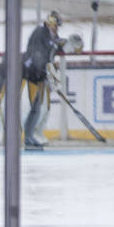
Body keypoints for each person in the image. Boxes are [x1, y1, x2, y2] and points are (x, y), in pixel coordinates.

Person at [20, 10, 74, 149]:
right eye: (56, 25)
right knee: (30, 107)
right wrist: (46, 70)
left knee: (37, 109)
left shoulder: (51, 35)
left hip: (39, 76)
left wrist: (65, 44)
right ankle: (25, 137)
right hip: (30, 75)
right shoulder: (40, 32)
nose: (57, 29)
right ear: (51, 23)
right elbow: (37, 54)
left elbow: (54, 48)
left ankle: (29, 137)